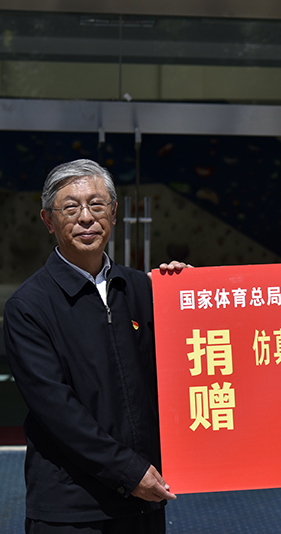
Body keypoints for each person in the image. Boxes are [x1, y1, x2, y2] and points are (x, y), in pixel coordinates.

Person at [3, 159, 187, 533]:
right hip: (72, 509)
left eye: (97, 205)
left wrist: (190, 298)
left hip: (144, 502)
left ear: (114, 213)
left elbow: (187, 369)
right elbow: (58, 410)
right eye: (71, 208)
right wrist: (130, 472)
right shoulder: (29, 306)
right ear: (48, 220)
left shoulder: (144, 289)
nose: (86, 218)